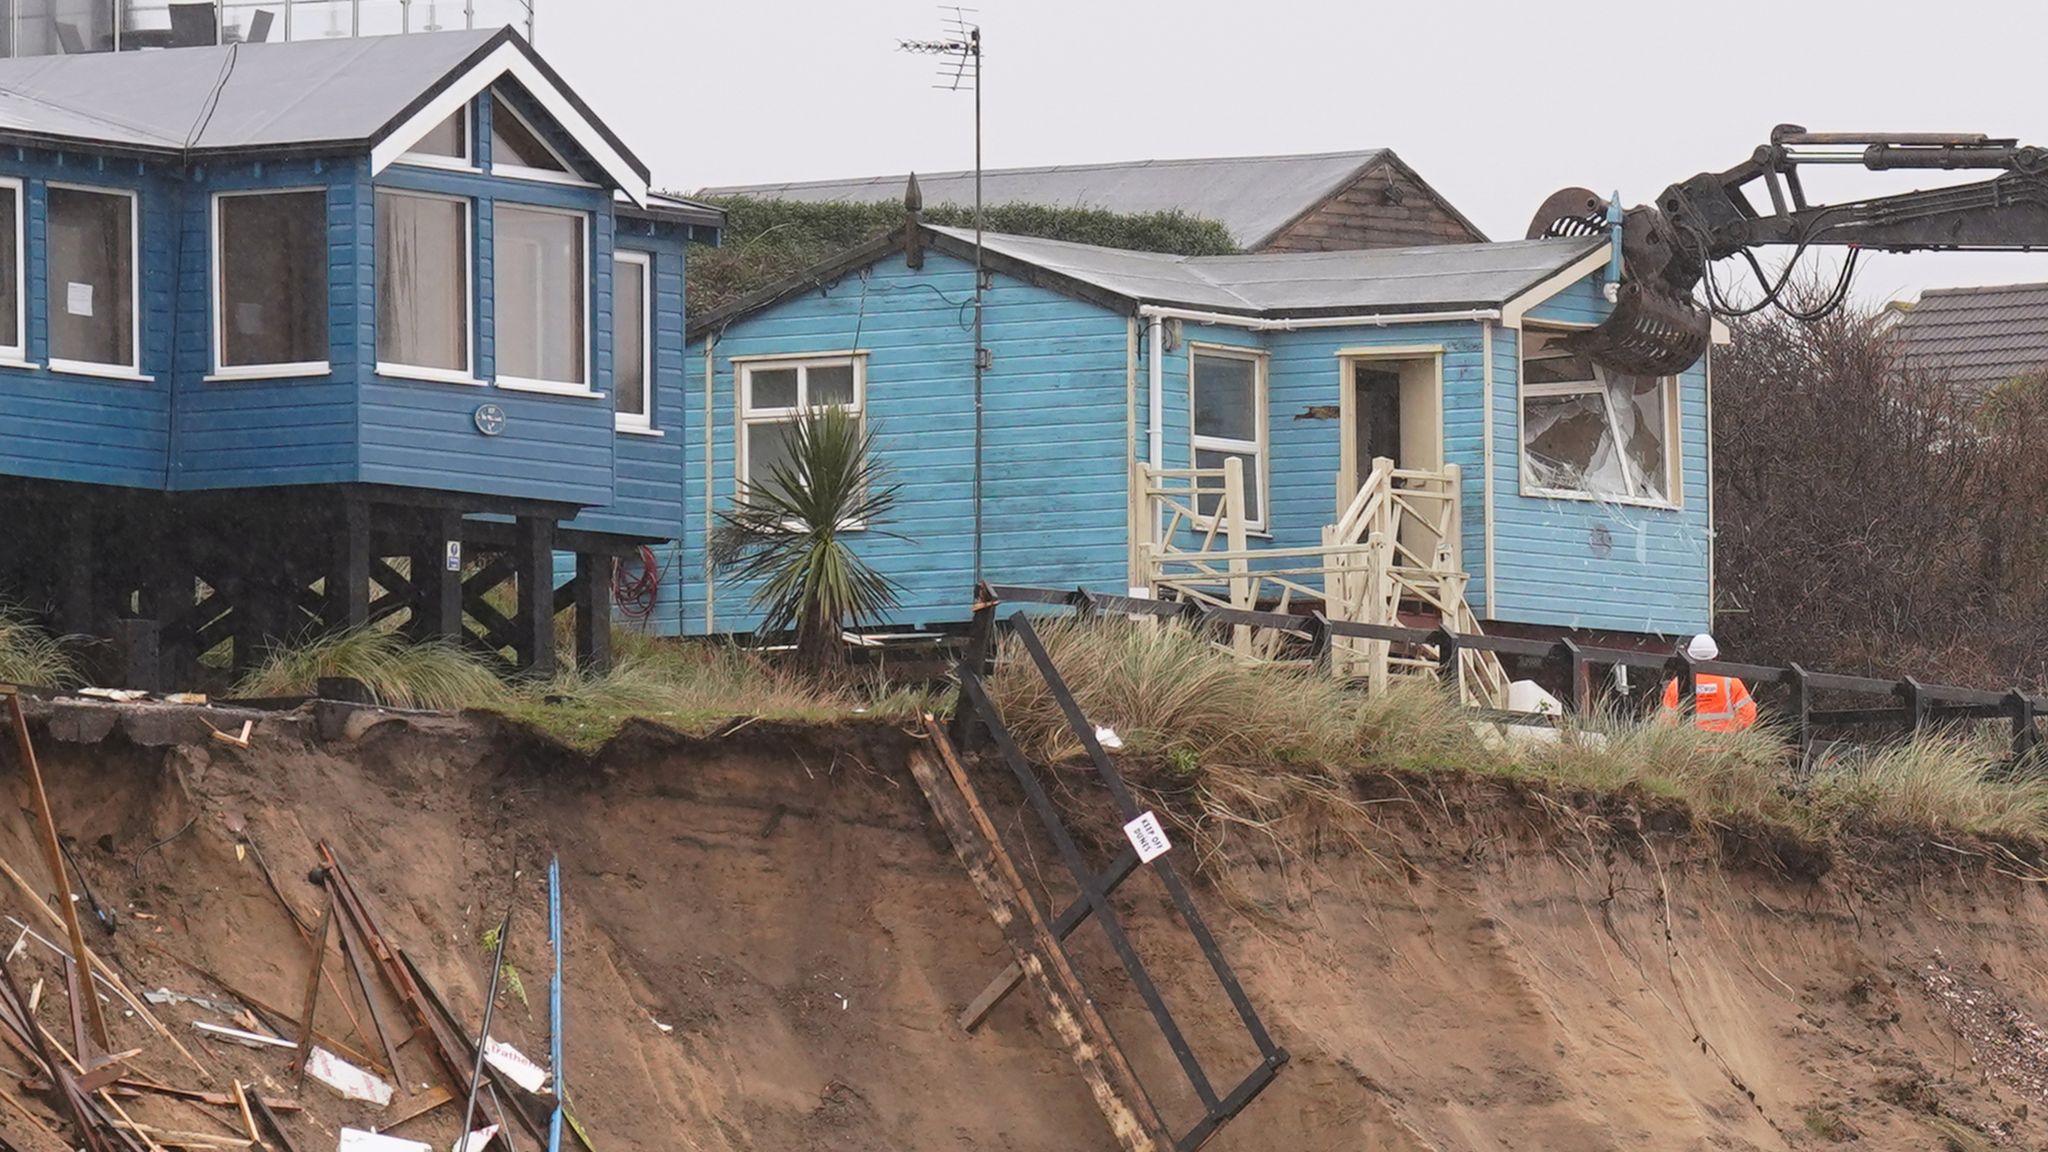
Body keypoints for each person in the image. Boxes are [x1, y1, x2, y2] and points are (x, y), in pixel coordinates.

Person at [1660, 634, 1757, 732]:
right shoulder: (1730, 681)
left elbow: (1667, 720)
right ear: (1715, 655)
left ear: (1690, 656)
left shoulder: (1677, 683)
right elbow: (1748, 713)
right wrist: (1735, 731)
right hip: (1724, 744)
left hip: (1691, 744)